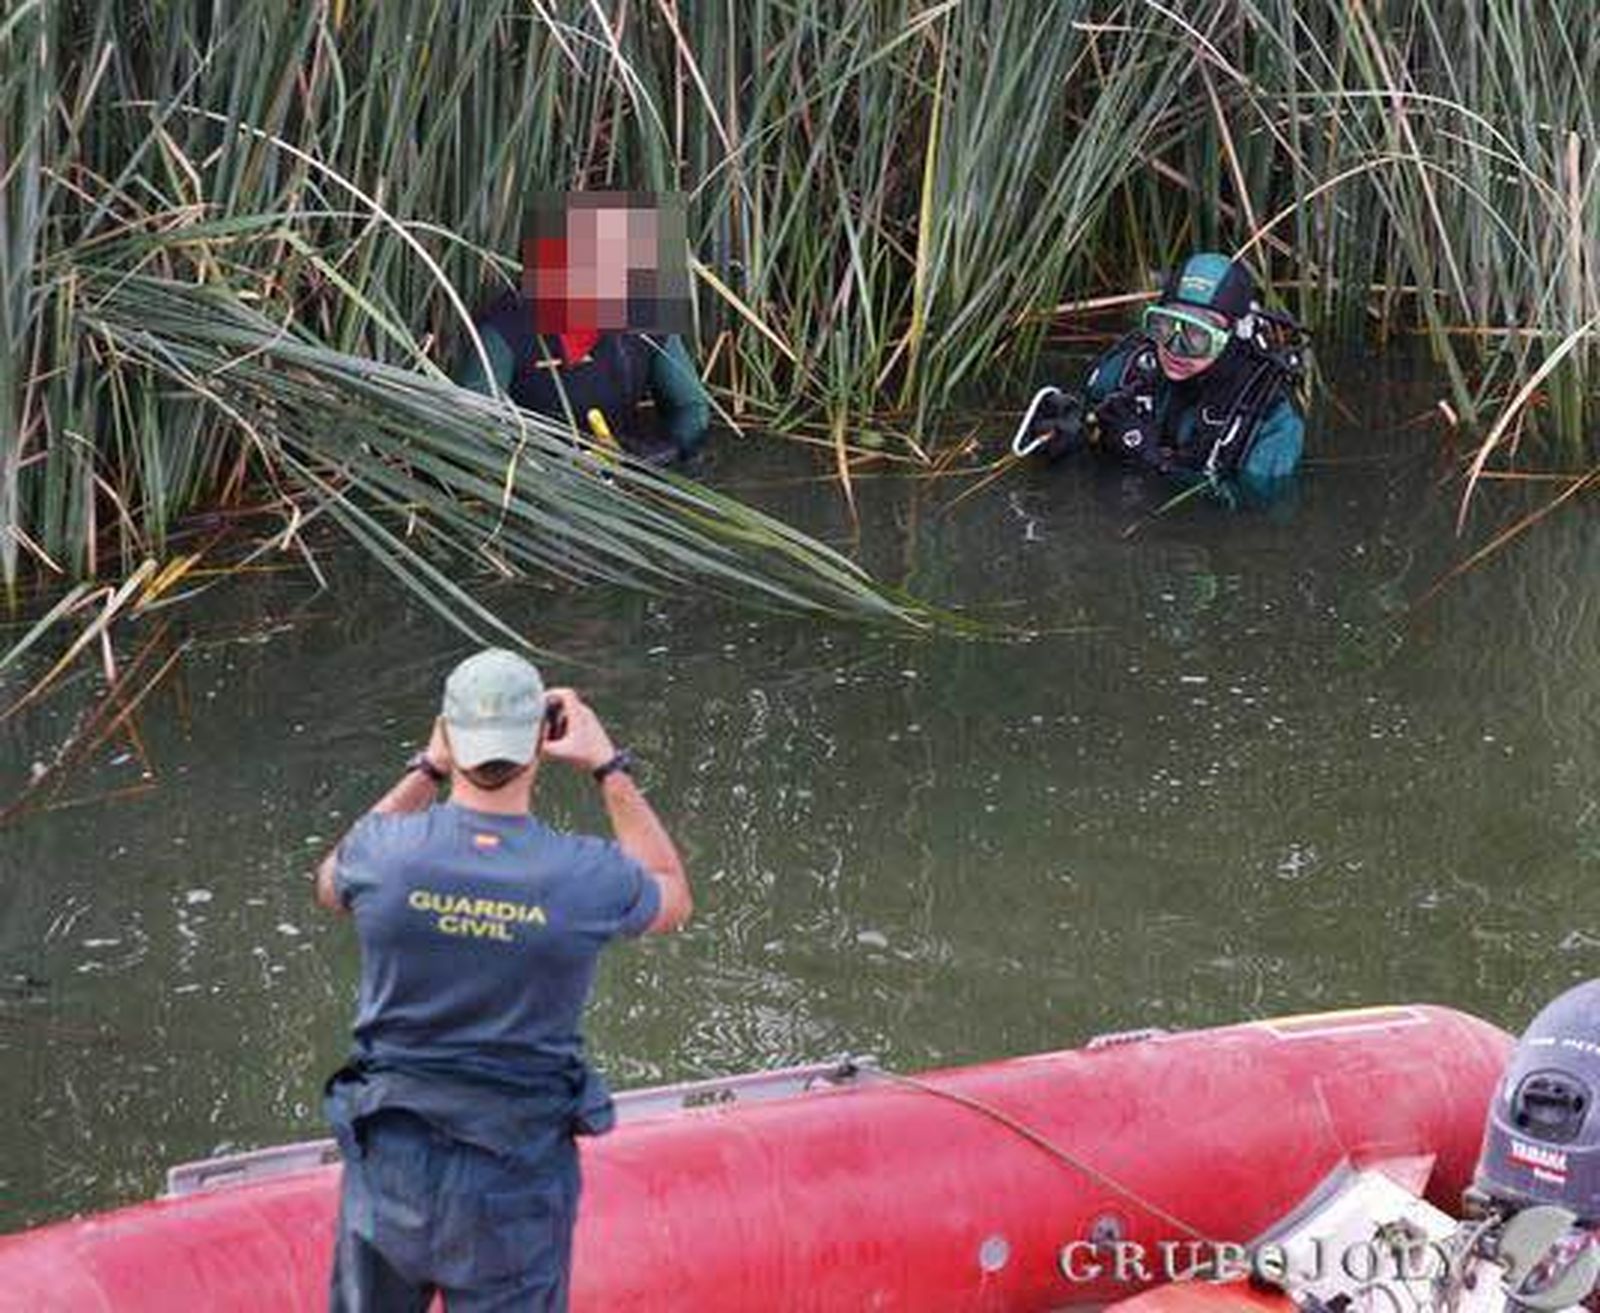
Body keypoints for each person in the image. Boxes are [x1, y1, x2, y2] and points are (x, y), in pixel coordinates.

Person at [313, 648, 691, 1312]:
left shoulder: (383, 854)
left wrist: (425, 768)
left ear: (448, 735)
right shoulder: (583, 875)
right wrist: (609, 768)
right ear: (542, 743)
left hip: (389, 1164)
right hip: (511, 1178)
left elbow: (330, 879)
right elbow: (671, 892)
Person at [454, 192, 711, 466]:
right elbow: (476, 424)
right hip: (538, 475)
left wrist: (663, 451)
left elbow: (691, 407)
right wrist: (532, 467)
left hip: (623, 466)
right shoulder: (507, 326)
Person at [1020, 252, 1307, 489]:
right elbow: (1089, 414)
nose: (1175, 348)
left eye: (1197, 336)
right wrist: (1067, 437)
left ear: (1235, 335)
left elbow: (1255, 511)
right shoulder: (1127, 369)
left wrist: (1152, 460)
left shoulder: (1273, 422)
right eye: (1166, 326)